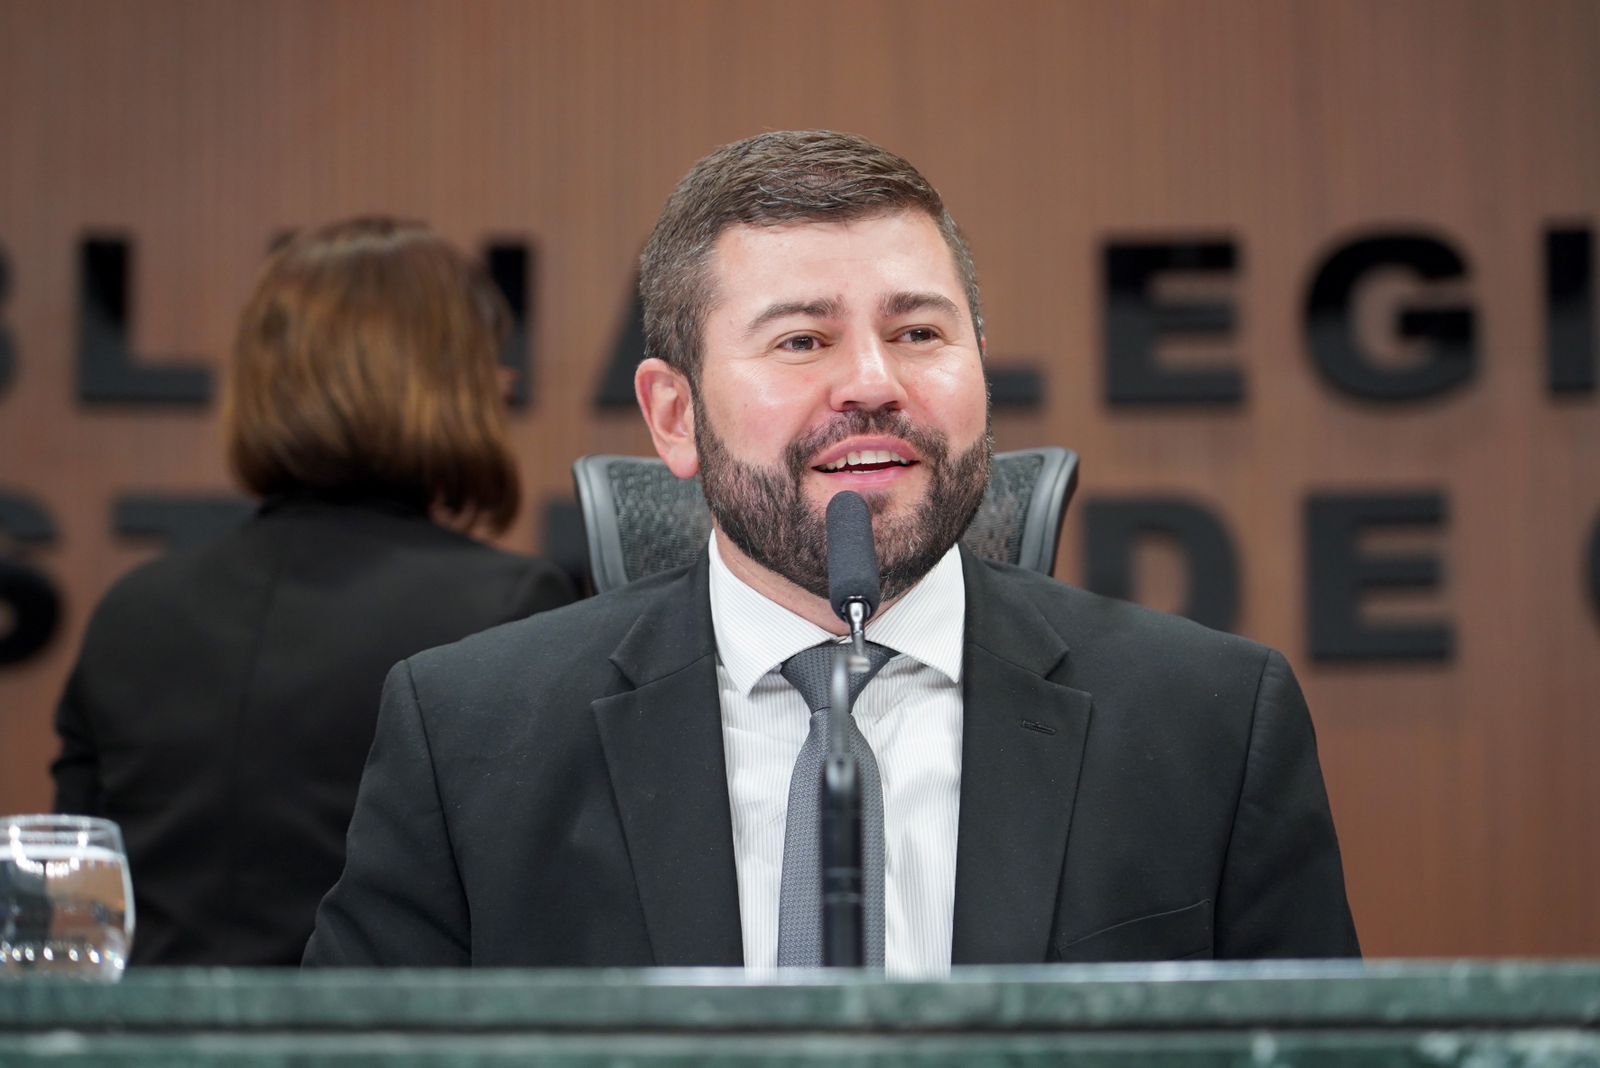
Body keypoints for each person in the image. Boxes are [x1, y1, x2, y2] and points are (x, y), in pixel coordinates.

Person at [305, 133, 1359, 973]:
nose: (872, 383)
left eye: (919, 333)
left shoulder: (1210, 723)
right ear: (674, 416)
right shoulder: (471, 738)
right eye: (802, 340)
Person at [52, 217, 575, 966]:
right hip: (379, 1030)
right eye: (490, 360)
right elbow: (544, 918)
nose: (505, 382)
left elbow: (70, 910)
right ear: (451, 382)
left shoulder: (133, 611)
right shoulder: (510, 610)